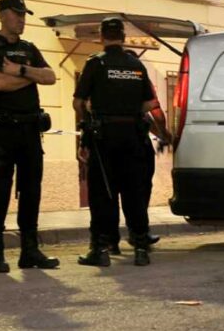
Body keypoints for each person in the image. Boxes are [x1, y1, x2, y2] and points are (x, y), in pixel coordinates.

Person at [0, 0, 60, 273]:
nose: (22, 19)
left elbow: (50, 77)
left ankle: (30, 251)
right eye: (17, 14)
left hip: (30, 129)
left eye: (24, 14)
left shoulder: (29, 49)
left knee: (31, 190)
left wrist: (21, 70)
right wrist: (30, 78)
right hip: (3, 130)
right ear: (2, 15)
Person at [74, 17, 161, 267]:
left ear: (102, 36)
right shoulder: (136, 65)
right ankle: (141, 247)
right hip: (133, 136)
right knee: (134, 192)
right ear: (123, 37)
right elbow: (149, 103)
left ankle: (100, 249)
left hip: (104, 138)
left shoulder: (96, 63)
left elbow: (78, 102)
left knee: (103, 194)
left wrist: (87, 124)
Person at [106, 50, 171, 255]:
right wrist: (165, 135)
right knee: (139, 189)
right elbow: (156, 114)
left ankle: (110, 240)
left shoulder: (104, 79)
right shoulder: (139, 78)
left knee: (109, 191)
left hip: (107, 142)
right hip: (136, 142)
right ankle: (139, 234)